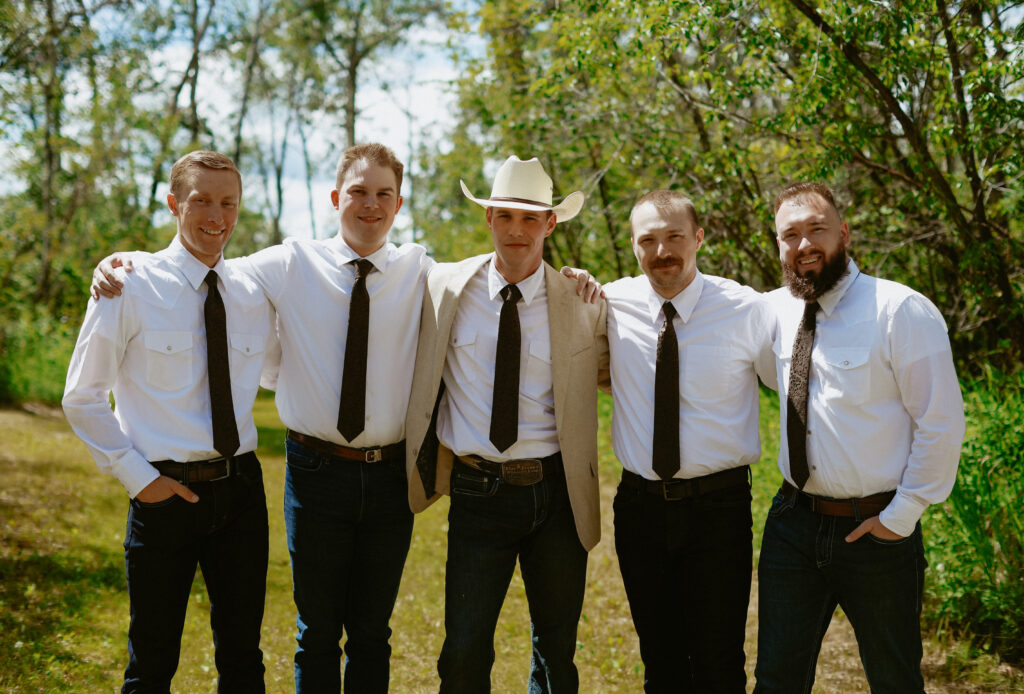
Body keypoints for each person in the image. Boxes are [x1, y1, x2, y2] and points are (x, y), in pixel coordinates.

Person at [90, 144, 600, 693]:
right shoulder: (289, 263)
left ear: (399, 204)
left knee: (372, 632)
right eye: (358, 191)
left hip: (390, 475)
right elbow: (203, 262)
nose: (370, 204)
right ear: (336, 197)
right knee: (315, 632)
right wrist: (125, 262)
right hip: (315, 472)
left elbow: (508, 281)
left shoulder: (422, 271)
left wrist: (575, 279)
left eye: (384, 194)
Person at [63, 150, 276, 692]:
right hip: (163, 495)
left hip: (242, 494)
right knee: (152, 662)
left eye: (227, 203)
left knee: (244, 659)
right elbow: (82, 396)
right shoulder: (129, 283)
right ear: (174, 203)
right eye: (202, 200)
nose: (216, 216)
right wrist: (141, 480)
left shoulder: (254, 293)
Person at [405, 155, 609, 693]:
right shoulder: (444, 288)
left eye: (530, 218)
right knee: (466, 649)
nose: (516, 231)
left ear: (550, 223)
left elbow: (617, 374)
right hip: (478, 490)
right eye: (505, 217)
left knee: (557, 651)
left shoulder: (582, 301)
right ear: (488, 219)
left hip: (556, 493)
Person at [753, 182, 966, 693]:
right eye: (790, 235)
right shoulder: (770, 311)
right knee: (776, 679)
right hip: (793, 525)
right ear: (778, 245)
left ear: (843, 233)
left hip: (877, 529)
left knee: (894, 680)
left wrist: (902, 515)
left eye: (817, 230)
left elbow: (942, 422)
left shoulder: (899, 310)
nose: (804, 245)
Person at [600, 190, 776, 693]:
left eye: (674, 236)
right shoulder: (610, 304)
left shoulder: (746, 309)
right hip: (639, 510)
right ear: (634, 247)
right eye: (648, 240)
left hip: (717, 508)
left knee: (720, 662)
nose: (662, 252)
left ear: (698, 237)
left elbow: (794, 386)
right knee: (661, 662)